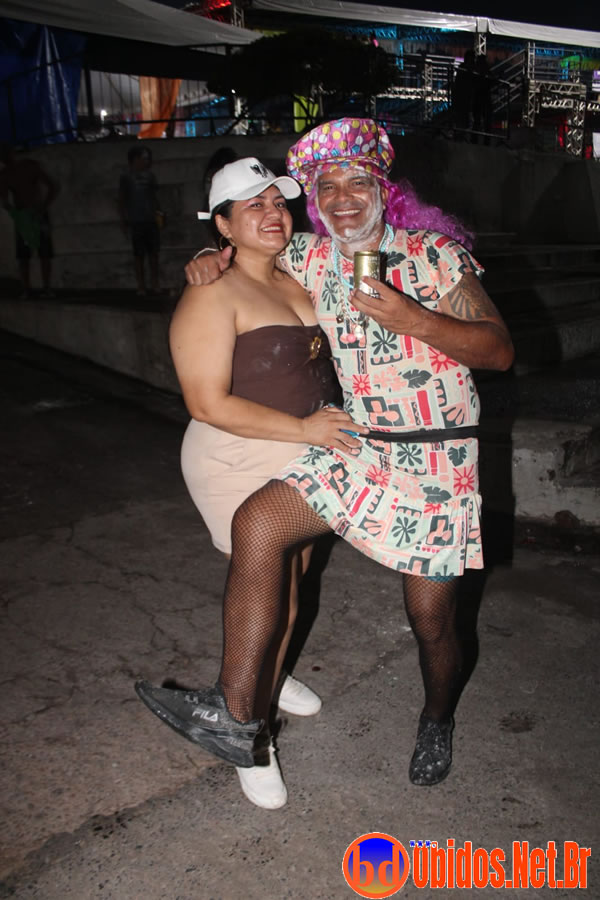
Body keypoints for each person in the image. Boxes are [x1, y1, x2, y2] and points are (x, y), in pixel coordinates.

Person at [137, 118, 514, 791]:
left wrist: (416, 320)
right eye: (327, 187)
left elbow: (499, 350)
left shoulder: (434, 255)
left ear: (384, 190)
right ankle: (235, 714)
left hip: (435, 464)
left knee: (431, 622)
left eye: (356, 183)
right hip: (356, 448)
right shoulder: (311, 257)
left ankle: (437, 716)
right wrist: (206, 257)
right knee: (259, 524)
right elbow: (247, 249)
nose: (342, 198)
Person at [137, 156, 365, 808]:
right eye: (253, 205)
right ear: (223, 224)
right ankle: (249, 728)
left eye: (278, 202)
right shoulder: (212, 291)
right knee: (275, 587)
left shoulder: (300, 275)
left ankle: (273, 670)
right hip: (238, 457)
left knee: (297, 578)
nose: (273, 214)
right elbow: (206, 402)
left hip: (307, 452)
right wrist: (307, 431)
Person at [0, 143, 58, 298]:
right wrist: (17, 214)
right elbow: (4, 200)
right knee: (26, 255)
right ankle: (30, 289)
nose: (4, 158)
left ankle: (42, 289)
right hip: (27, 216)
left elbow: (53, 186)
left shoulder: (28, 167)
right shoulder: (7, 174)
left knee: (42, 253)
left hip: (35, 214)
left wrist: (41, 208)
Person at [118, 145, 162, 296]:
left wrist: (158, 213)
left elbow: (154, 197)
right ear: (135, 159)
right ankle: (141, 285)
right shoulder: (126, 177)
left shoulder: (150, 177)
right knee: (139, 255)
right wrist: (123, 219)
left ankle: (155, 283)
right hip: (136, 221)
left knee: (153, 253)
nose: (147, 161)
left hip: (150, 219)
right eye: (144, 158)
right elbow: (122, 199)